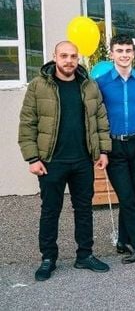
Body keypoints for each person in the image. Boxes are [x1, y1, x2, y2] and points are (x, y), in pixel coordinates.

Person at [18, 41, 111, 281]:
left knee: (84, 210)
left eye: (73, 56)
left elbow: (101, 120)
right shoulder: (39, 86)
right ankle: (48, 258)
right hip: (51, 162)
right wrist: (32, 158)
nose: (69, 61)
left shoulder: (89, 85)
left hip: (82, 161)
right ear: (55, 57)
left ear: (78, 58)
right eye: (64, 56)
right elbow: (28, 123)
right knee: (50, 211)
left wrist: (103, 151)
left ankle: (85, 255)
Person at [96, 34, 135, 263]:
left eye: (128, 51)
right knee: (127, 196)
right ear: (111, 54)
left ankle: (123, 240)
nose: (124, 55)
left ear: (134, 54)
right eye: (119, 51)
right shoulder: (101, 82)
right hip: (114, 145)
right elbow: (97, 114)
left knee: (133, 194)